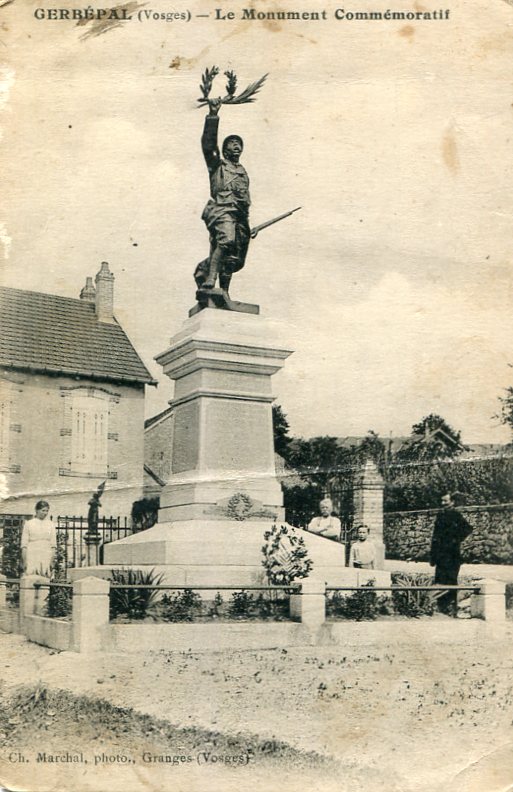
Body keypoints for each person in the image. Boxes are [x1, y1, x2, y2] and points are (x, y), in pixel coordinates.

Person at [194, 96, 251, 294]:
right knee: (226, 241)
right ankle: (210, 277)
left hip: (240, 215)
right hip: (221, 209)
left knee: (233, 256)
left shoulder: (243, 171)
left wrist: (247, 226)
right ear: (225, 148)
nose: (237, 146)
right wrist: (213, 116)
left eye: (239, 143)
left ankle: (222, 290)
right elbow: (208, 145)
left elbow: (245, 200)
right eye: (232, 143)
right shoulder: (217, 165)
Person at [430, 492, 472, 615]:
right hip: (440, 555)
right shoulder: (440, 515)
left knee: (451, 580)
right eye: (442, 501)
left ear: (452, 502)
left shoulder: (456, 515)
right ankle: (441, 607)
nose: (443, 503)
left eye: (446, 501)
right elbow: (435, 537)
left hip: (452, 555)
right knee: (440, 580)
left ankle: (451, 608)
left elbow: (468, 528)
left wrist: (455, 540)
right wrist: (433, 556)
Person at [20, 500, 56, 577]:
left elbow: (53, 545)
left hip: (46, 553)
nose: (45, 513)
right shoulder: (29, 524)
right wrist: (24, 560)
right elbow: (24, 545)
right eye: (43, 510)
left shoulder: (51, 524)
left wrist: (52, 560)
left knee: (45, 575)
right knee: (31, 575)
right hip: (32, 553)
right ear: (37, 510)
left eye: (47, 511)